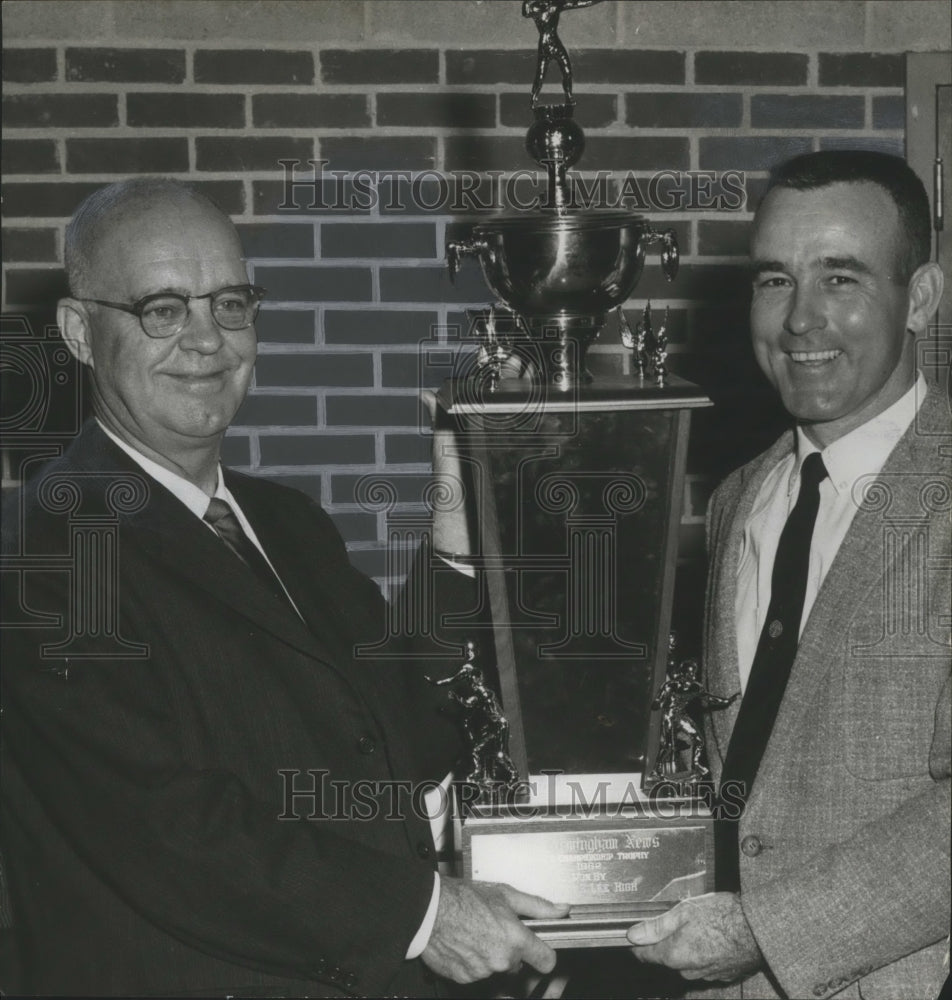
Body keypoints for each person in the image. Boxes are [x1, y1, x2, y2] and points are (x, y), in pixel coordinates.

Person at [0, 177, 568, 997]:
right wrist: (426, 915)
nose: (208, 342)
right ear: (80, 333)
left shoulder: (289, 524)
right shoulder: (42, 547)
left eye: (231, 304)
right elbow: (165, 829)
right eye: (163, 309)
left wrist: (456, 487)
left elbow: (409, 729)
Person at [626, 151, 950, 998]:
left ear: (920, 297)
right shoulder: (742, 497)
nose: (801, 319)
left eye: (840, 278)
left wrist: (764, 931)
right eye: (775, 281)